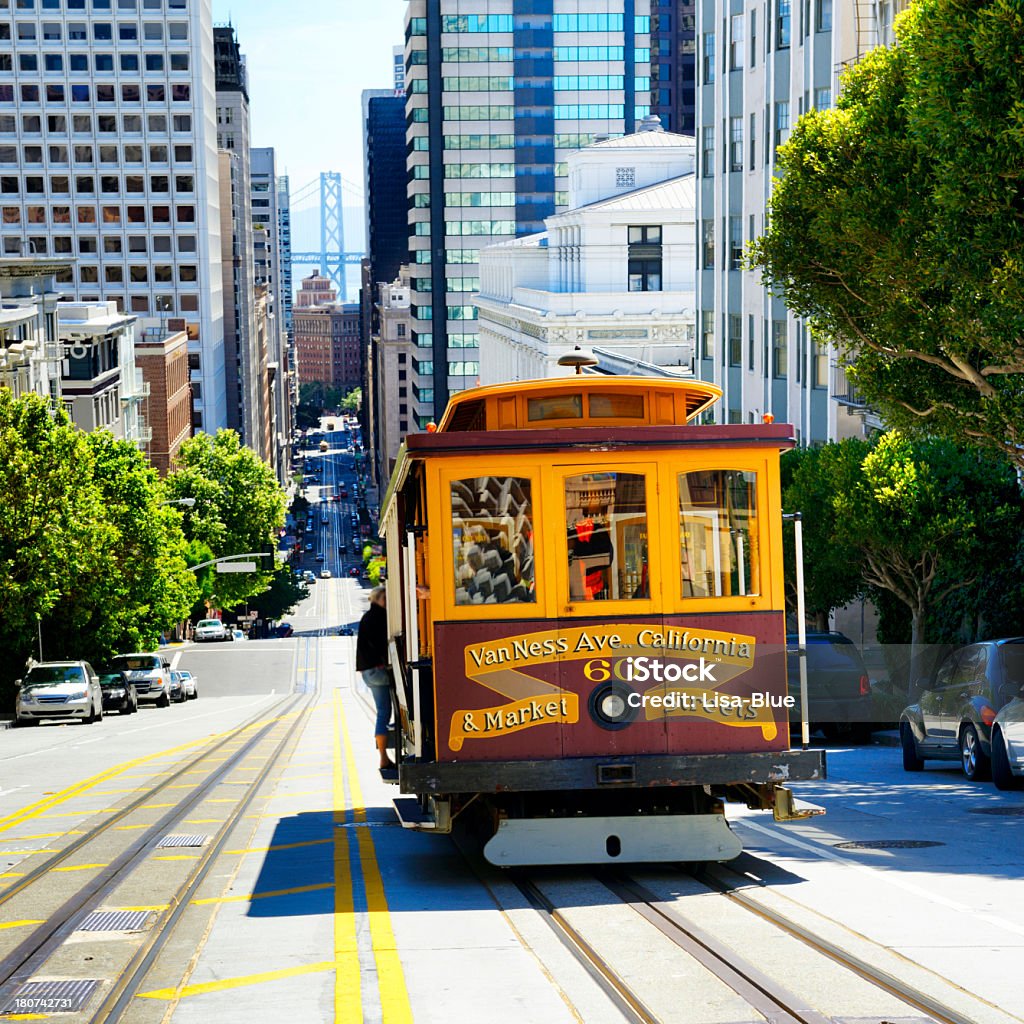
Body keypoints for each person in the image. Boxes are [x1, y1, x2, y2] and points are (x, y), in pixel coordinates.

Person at [356, 586, 394, 769]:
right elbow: (383, 644)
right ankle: (384, 758)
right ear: (377, 599)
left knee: (382, 711)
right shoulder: (380, 617)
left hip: (367, 673)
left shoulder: (366, 617)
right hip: (378, 671)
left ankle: (384, 756)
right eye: (385, 599)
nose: (388, 602)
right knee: (386, 711)